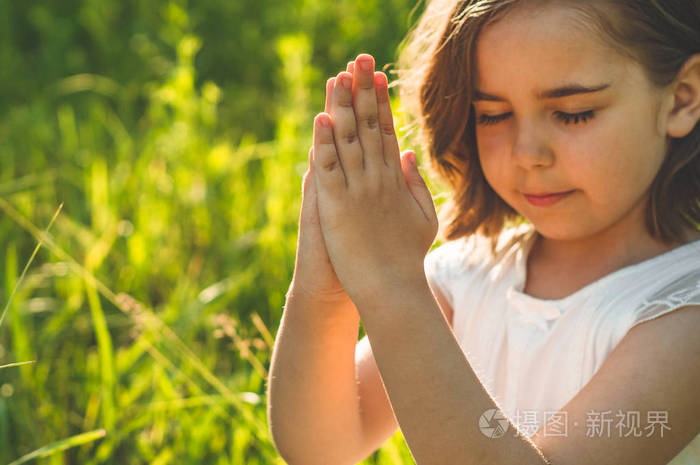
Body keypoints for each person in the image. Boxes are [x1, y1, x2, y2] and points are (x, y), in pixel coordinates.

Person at [267, 0, 700, 464]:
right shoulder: (468, 275)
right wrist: (328, 280)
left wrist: (391, 283)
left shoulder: (685, 314)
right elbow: (320, 448)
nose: (527, 152)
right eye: (492, 115)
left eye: (573, 113)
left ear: (681, 98)